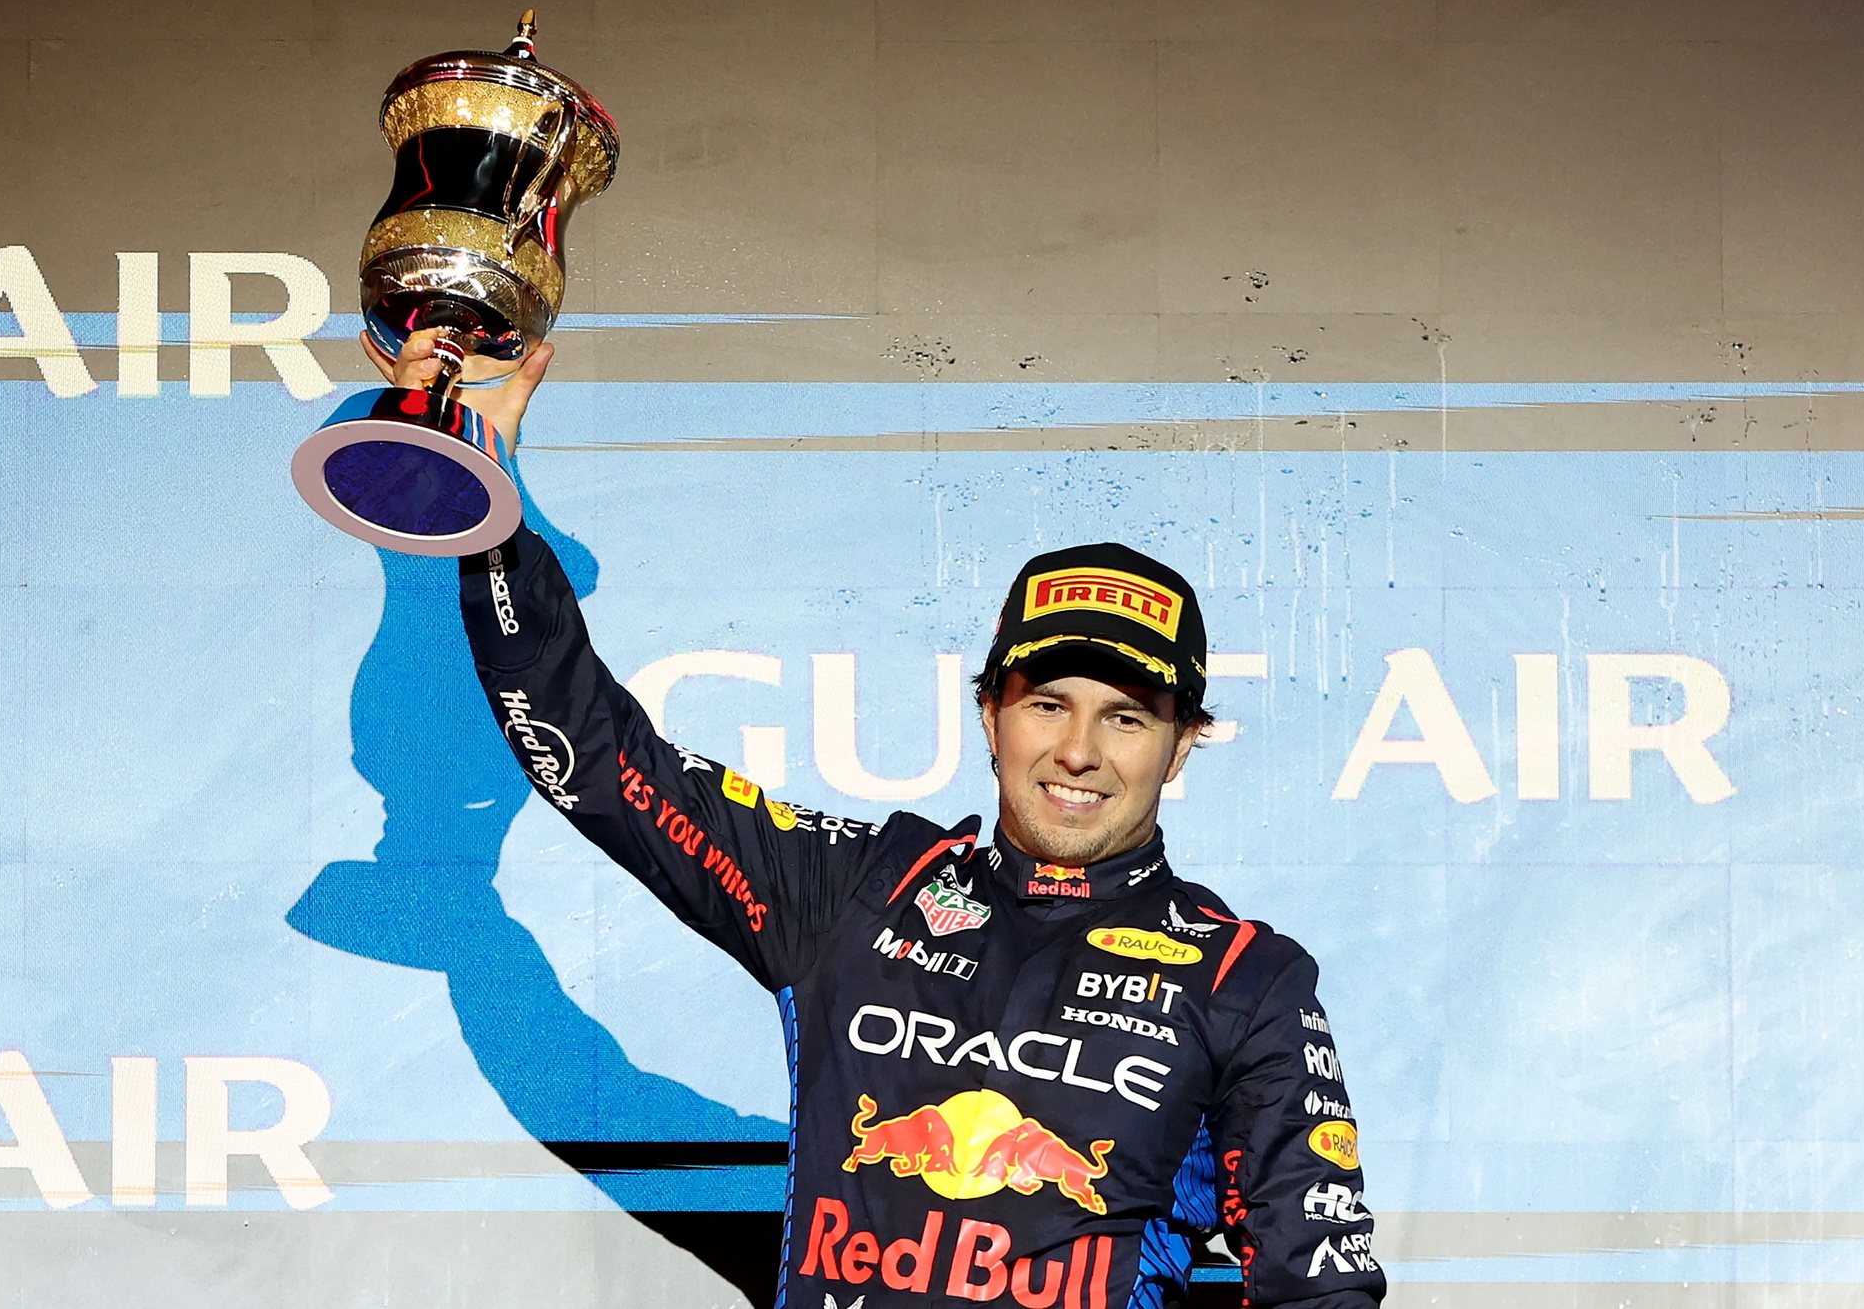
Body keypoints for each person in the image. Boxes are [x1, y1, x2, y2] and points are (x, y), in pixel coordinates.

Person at [370, 329, 1385, 1309]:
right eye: (1046, 703)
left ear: (1181, 743)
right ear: (990, 714)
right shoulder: (858, 887)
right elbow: (599, 759)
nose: (1079, 750)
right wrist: (485, 511)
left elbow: (1318, 1284)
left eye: (1126, 717)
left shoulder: (1244, 978)